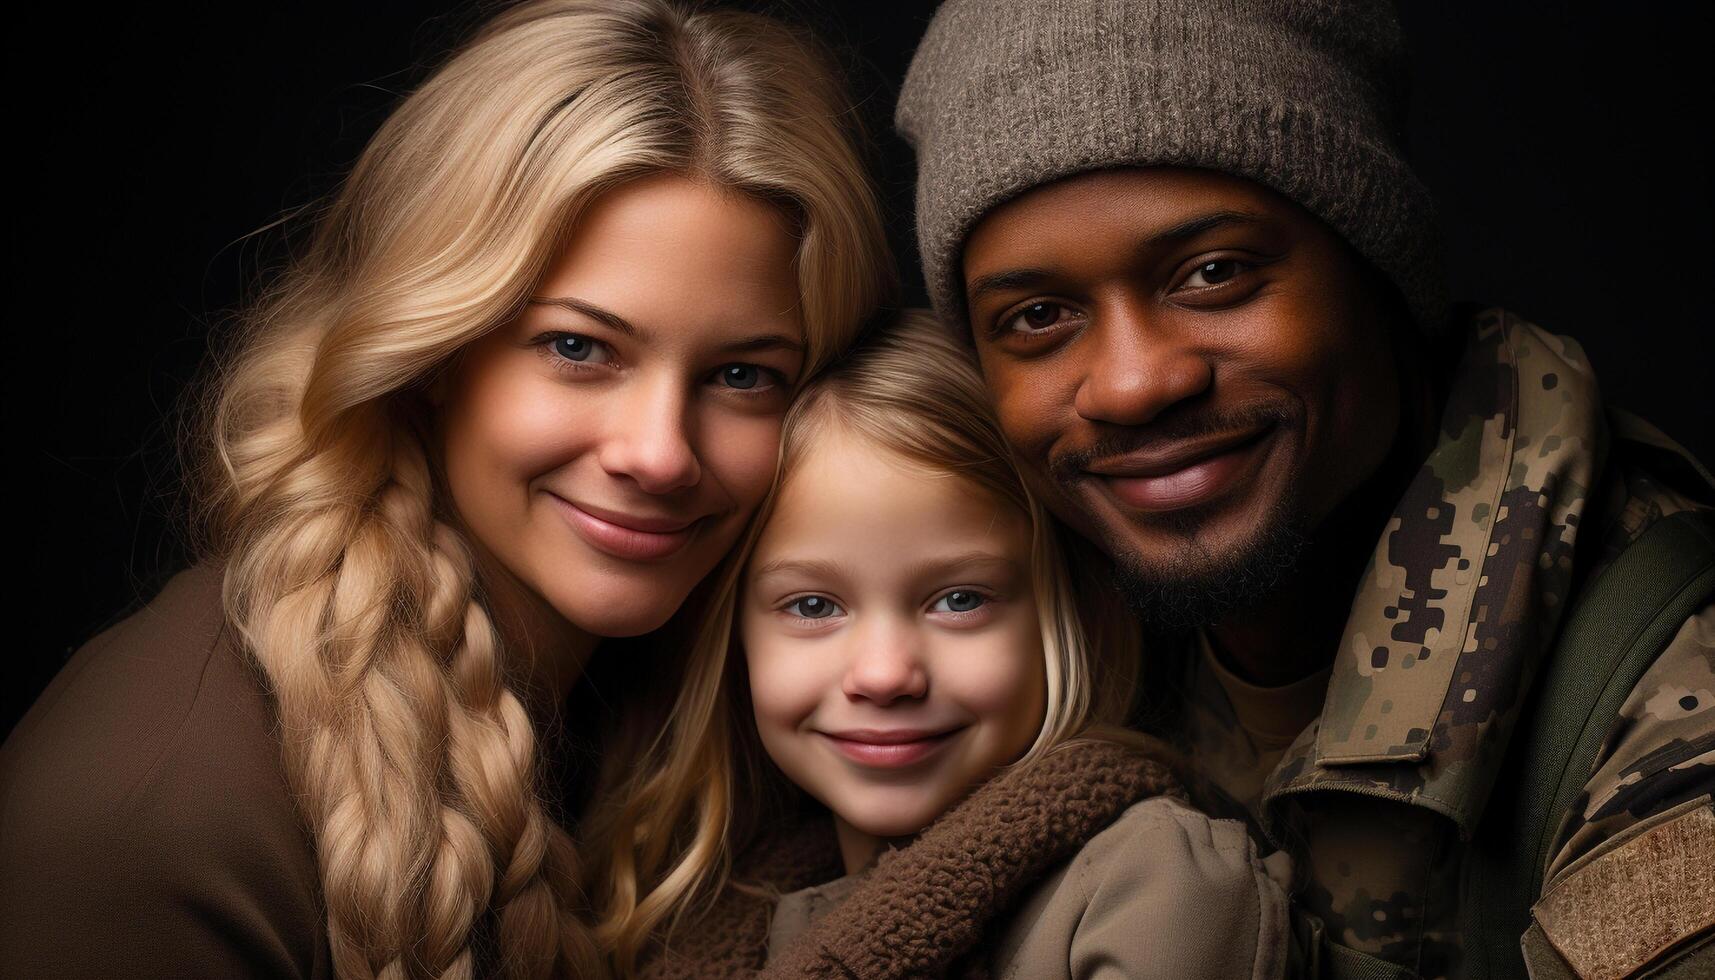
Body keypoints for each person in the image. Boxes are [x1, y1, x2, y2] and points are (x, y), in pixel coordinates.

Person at [0, 2, 895, 977]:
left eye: (742, 375)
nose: (659, 453)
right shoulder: (154, 821)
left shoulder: (736, 708)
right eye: (577, 348)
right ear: (430, 351)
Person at [892, 2, 1714, 979]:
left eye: (1211, 273)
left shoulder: (1665, 706)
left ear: (1373, 265)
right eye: (1035, 316)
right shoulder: (1003, 632)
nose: (1129, 382)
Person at [588, 310, 1290, 978]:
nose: (886, 675)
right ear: (733, 636)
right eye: (812, 605)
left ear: (1068, 614)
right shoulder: (718, 913)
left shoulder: (1155, 888)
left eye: (959, 601)